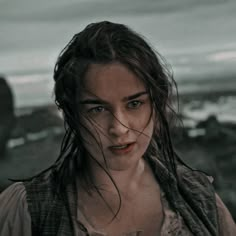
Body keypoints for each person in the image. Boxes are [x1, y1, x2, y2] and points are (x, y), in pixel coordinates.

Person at [0, 21, 235, 236]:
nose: (119, 129)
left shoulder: (200, 199)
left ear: (156, 103)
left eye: (134, 104)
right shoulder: (29, 211)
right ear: (72, 114)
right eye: (97, 109)